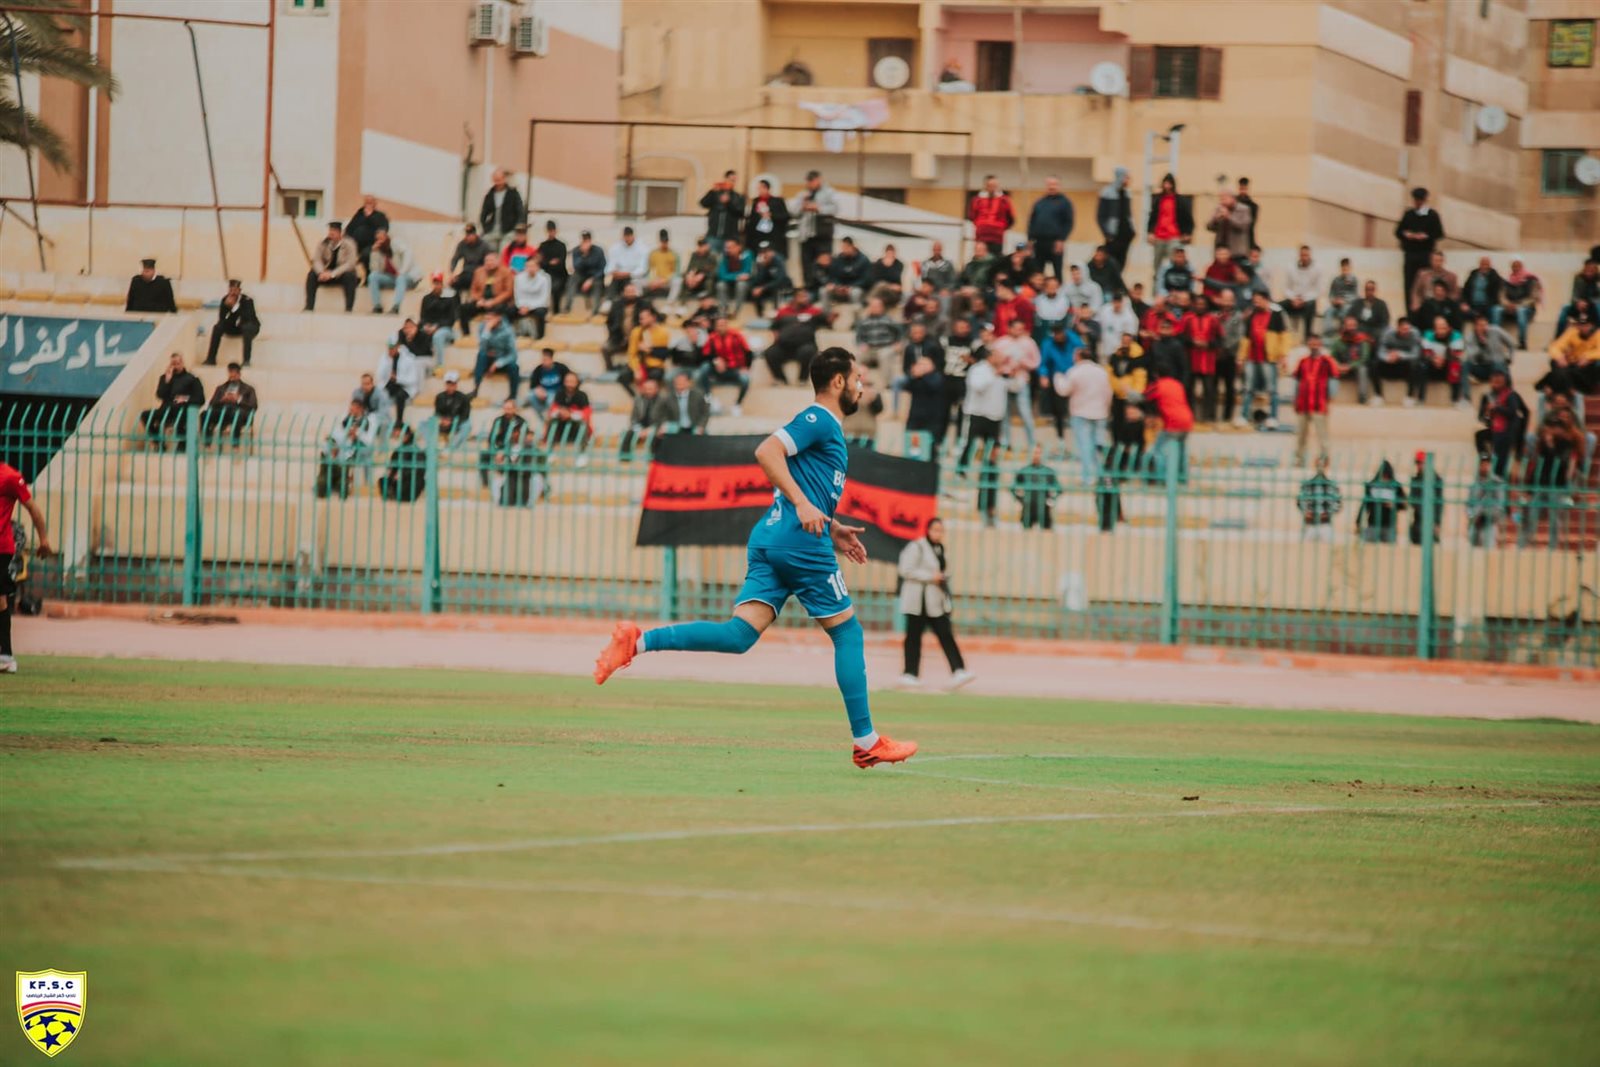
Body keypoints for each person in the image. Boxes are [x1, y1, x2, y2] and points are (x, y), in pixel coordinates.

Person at [593, 349, 918, 766]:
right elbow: (767, 451)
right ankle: (866, 741)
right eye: (857, 378)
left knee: (738, 636)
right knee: (848, 634)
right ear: (838, 381)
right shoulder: (819, 418)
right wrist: (803, 505)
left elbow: (806, 483)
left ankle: (637, 642)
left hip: (772, 538)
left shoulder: (827, 429)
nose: (861, 386)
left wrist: (832, 525)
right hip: (799, 544)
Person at [895, 518, 971, 688]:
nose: (938, 533)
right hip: (917, 601)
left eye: (940, 530)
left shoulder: (940, 549)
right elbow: (905, 569)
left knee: (945, 633)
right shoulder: (917, 547)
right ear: (928, 530)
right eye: (935, 529)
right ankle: (910, 673)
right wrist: (930, 577)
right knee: (913, 636)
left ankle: (959, 670)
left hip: (934, 602)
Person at [0, 462, 54, 674]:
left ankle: (6, 655)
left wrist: (44, 539)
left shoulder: (10, 477)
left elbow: (32, 508)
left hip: (1, 548)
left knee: (0, 598)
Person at [1520, 408, 1582, 550]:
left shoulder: (1566, 444)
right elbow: (1537, 465)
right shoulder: (1542, 444)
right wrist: (1529, 488)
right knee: (1531, 516)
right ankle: (1523, 545)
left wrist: (1551, 446)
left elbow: (1561, 464)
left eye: (1555, 427)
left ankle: (1553, 548)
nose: (1551, 430)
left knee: (1555, 520)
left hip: (1557, 486)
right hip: (1541, 484)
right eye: (1550, 427)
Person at [1238, 292, 1288, 428]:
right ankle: (1244, 416)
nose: (1256, 303)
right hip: (1252, 358)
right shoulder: (1252, 315)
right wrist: (1241, 357)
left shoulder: (1276, 314)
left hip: (1268, 358)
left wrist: (1283, 355)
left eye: (1258, 301)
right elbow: (1246, 338)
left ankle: (1273, 417)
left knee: (1272, 390)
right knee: (1248, 389)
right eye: (1254, 301)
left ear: (1266, 300)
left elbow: (1283, 336)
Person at [1290, 335, 1339, 467]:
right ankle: (1299, 459)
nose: (1314, 347)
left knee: (1322, 434)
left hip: (1319, 403)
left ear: (1320, 345)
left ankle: (1324, 458)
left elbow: (1334, 379)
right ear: (1308, 345)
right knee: (1301, 434)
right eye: (1311, 344)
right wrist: (1295, 398)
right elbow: (1297, 381)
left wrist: (1330, 397)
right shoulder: (1302, 361)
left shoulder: (1327, 361)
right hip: (1303, 403)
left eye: (1316, 344)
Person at [764, 289, 831, 385]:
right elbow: (774, 327)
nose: (805, 298)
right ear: (794, 298)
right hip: (784, 346)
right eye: (802, 296)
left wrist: (831, 318)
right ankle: (780, 379)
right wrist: (776, 337)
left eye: (806, 296)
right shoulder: (783, 311)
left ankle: (802, 379)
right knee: (770, 352)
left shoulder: (814, 311)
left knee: (808, 352)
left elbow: (826, 321)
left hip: (805, 345)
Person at [140, 353, 206, 450]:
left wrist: (185, 399)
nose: (175, 366)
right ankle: (159, 442)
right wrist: (167, 381)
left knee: (180, 414)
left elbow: (200, 399)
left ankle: (182, 445)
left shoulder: (192, 379)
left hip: (182, 409)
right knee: (145, 415)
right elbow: (160, 395)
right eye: (173, 364)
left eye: (177, 363)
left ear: (182, 363)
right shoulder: (165, 378)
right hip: (166, 409)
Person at [317, 399, 380, 499]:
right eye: (350, 409)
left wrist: (357, 435)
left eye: (353, 409)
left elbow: (368, 441)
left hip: (358, 449)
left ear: (360, 409)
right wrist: (333, 443)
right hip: (343, 448)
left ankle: (342, 483)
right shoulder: (346, 419)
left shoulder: (367, 421)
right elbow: (337, 433)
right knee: (327, 451)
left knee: (346, 462)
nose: (350, 411)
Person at [1474, 369, 1527, 479]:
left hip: (1509, 430)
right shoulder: (1487, 396)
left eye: (1499, 382)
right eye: (1493, 382)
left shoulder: (1511, 395)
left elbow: (1518, 411)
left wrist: (1497, 408)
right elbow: (1481, 417)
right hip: (1495, 428)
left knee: (1505, 445)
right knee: (1480, 436)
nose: (1495, 385)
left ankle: (1500, 474)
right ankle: (1485, 459)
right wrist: (1488, 415)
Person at [1144, 367, 1193, 481]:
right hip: (1187, 420)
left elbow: (1144, 396)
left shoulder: (1159, 385)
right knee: (1181, 451)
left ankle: (1162, 477)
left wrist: (1129, 392)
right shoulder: (1177, 384)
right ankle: (1182, 477)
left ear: (1157, 375)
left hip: (1173, 422)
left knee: (1160, 451)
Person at [1396, 187, 1445, 301]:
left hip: (1426, 254)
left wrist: (1426, 236)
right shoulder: (1409, 214)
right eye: (1416, 200)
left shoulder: (1432, 215)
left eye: (1420, 200)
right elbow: (1398, 231)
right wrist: (1407, 234)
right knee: (1409, 284)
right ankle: (1410, 308)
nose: (1418, 202)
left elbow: (1439, 233)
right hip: (1411, 254)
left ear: (1424, 200)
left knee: (1426, 283)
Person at [697, 316, 752, 415]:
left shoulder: (737, 336)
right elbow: (704, 354)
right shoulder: (712, 337)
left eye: (723, 325)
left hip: (735, 369)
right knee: (704, 367)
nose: (721, 327)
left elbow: (748, 353)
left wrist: (746, 367)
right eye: (719, 325)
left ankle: (737, 404)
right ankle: (708, 396)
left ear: (727, 325)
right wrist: (715, 361)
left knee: (746, 379)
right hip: (718, 370)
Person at [791, 170, 839, 284]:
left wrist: (818, 208)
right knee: (807, 265)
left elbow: (835, 208)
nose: (810, 184)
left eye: (812, 181)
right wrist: (802, 206)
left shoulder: (829, 193)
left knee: (824, 264)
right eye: (808, 181)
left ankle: (823, 288)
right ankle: (808, 287)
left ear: (819, 180)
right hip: (806, 236)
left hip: (822, 235)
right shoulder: (803, 194)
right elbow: (793, 211)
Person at [1146, 173, 1193, 288]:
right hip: (1159, 236)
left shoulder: (1180, 200)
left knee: (1174, 263)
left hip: (1174, 235)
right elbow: (1152, 217)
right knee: (1157, 266)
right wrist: (1150, 232)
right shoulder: (1158, 199)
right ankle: (1156, 290)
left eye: (1169, 184)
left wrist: (1187, 233)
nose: (1167, 186)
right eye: (1165, 184)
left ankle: (1174, 287)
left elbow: (1188, 218)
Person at [304, 222, 360, 312]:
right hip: (325, 274)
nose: (331, 234)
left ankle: (348, 308)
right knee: (312, 275)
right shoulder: (323, 243)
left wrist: (332, 274)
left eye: (334, 232)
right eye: (330, 231)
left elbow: (350, 263)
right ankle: (309, 306)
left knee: (350, 276)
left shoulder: (349, 244)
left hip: (340, 274)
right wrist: (321, 272)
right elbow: (317, 260)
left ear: (340, 233)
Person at [1027, 176, 1074, 280]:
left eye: (1054, 184)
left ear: (1059, 186)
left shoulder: (1065, 202)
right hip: (1039, 243)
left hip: (1055, 243)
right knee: (1038, 272)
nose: (1052, 187)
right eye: (1049, 184)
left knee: (1057, 272)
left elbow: (1068, 223)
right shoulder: (1039, 202)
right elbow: (1031, 222)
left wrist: (1061, 239)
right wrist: (1030, 240)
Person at [200, 362, 258, 446]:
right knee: (204, 414)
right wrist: (222, 400)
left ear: (239, 374)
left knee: (237, 414)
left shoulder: (249, 389)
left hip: (239, 411)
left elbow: (253, 405)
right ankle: (207, 443)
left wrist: (238, 399)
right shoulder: (221, 388)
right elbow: (211, 403)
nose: (232, 377)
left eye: (234, 374)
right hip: (222, 411)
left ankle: (235, 445)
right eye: (230, 373)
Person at [205, 279, 260, 366]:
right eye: (231, 290)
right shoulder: (225, 300)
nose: (233, 293)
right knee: (217, 327)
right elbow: (222, 319)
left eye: (235, 290)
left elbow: (248, 318)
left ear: (239, 291)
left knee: (247, 328)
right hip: (235, 327)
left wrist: (235, 307)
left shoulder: (247, 301)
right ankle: (211, 359)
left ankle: (246, 360)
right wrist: (229, 308)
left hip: (250, 326)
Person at [1415, 314, 1465, 408]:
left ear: (1449, 328)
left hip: (1447, 365)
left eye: (1444, 327)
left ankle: (1456, 400)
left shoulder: (1456, 335)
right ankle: (1420, 399)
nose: (1442, 330)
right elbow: (1425, 353)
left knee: (1456, 366)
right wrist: (1433, 359)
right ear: (1434, 329)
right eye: (1439, 328)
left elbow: (1457, 355)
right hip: (1432, 365)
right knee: (1422, 365)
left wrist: (1444, 359)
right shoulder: (1428, 335)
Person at [376, 328, 424, 425]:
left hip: (405, 387)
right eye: (389, 348)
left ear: (398, 346)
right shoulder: (385, 358)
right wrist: (388, 361)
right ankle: (381, 418)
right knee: (381, 394)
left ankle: (399, 421)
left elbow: (413, 379)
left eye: (392, 348)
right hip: (392, 384)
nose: (390, 350)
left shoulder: (409, 359)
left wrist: (398, 379)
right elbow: (380, 375)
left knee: (400, 396)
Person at [1370, 318, 1421, 407]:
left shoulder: (1415, 334)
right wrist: (1388, 357)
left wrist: (1399, 354)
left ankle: (1409, 397)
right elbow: (1380, 351)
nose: (1406, 332)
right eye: (1404, 329)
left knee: (1415, 364)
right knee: (1374, 364)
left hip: (1404, 364)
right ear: (1398, 328)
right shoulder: (1388, 334)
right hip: (1389, 363)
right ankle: (1378, 395)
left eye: (1408, 329)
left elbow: (1415, 354)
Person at [365, 229, 418, 314]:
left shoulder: (396, 243)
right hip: (393, 279)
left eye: (382, 238)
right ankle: (377, 306)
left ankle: (396, 307)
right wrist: (374, 252)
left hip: (408, 277)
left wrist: (402, 271)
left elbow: (408, 254)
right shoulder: (379, 251)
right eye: (378, 239)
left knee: (400, 278)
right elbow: (374, 269)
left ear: (387, 237)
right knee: (373, 276)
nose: (380, 241)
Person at [459, 255, 515, 336]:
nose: (489, 263)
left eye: (492, 260)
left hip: (498, 302)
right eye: (487, 260)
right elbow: (473, 290)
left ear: (498, 261)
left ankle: (500, 335)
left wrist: (493, 302)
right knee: (463, 308)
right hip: (482, 301)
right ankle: (466, 334)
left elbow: (508, 292)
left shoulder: (506, 272)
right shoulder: (478, 272)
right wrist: (479, 300)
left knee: (505, 310)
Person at [1011, 445, 1063, 530]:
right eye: (1034, 453)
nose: (1036, 455)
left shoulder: (1048, 471)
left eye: (1039, 453)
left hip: (1044, 508)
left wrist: (1051, 500)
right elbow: (1013, 488)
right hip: (1028, 508)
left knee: (1046, 534)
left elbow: (1059, 489)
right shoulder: (1024, 471)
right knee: (1027, 535)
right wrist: (1020, 500)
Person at [545, 370, 594, 457]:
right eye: (567, 381)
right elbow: (552, 411)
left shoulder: (582, 396)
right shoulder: (559, 394)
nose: (570, 384)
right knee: (551, 422)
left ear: (577, 382)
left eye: (572, 381)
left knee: (582, 424)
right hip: (561, 426)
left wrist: (570, 414)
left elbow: (586, 414)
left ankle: (582, 454)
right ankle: (550, 452)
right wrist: (560, 412)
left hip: (575, 427)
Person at [1355, 460, 1406, 544]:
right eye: (1383, 476)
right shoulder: (1372, 485)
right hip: (1373, 525)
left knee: (1389, 550)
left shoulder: (1396, 486)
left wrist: (1394, 504)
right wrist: (1358, 522)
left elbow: (1404, 505)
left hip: (1389, 526)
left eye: (1387, 476)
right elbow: (1365, 505)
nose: (1385, 479)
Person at [1295, 455, 1341, 543]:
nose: (1320, 467)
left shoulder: (1332, 485)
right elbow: (1299, 501)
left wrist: (1327, 514)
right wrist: (1306, 512)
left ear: (1326, 466)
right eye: (1318, 465)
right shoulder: (1307, 484)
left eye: (1323, 465)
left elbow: (1337, 503)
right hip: (1309, 524)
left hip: (1325, 524)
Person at [1464, 456, 1506, 549]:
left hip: (1489, 522)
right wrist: (1472, 516)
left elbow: (1500, 506)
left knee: (1488, 551)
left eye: (1487, 464)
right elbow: (1468, 504)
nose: (1485, 466)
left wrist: (1484, 515)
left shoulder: (1497, 483)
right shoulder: (1474, 483)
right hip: (1475, 522)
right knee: (1473, 551)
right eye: (1482, 464)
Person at [417, 274, 459, 366]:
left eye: (438, 283)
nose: (436, 286)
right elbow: (423, 317)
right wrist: (426, 325)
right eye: (435, 283)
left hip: (445, 328)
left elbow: (451, 320)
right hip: (429, 327)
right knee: (418, 333)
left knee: (438, 336)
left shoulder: (450, 298)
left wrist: (437, 326)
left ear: (442, 284)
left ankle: (440, 365)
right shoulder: (426, 299)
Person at [478, 168, 526, 250]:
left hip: (509, 230)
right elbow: (483, 213)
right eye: (495, 180)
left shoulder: (513, 193)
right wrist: (485, 227)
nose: (498, 183)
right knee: (487, 248)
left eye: (499, 180)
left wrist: (516, 228)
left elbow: (520, 211)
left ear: (504, 179)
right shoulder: (490, 194)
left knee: (504, 249)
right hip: (492, 230)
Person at [1096, 167, 1134, 269]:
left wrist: (1132, 231)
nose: (1128, 180)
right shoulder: (1107, 192)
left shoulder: (1127, 193)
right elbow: (1100, 216)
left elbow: (1128, 213)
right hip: (1113, 235)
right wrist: (1107, 233)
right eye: (1126, 177)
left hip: (1125, 234)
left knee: (1122, 263)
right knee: (1111, 262)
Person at [968, 175, 1015, 256]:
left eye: (994, 185)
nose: (992, 188)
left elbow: (1011, 218)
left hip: (997, 237)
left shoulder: (1004, 200)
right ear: (985, 186)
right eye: (990, 185)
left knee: (996, 259)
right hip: (981, 236)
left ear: (998, 186)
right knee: (981, 258)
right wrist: (981, 225)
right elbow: (972, 216)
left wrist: (1000, 227)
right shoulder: (977, 200)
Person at [1499, 260, 1542, 349]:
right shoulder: (1507, 281)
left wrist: (1518, 306)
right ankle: (1495, 341)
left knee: (1521, 311)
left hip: (1527, 309)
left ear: (1522, 267)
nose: (1516, 268)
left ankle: (1522, 343)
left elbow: (1533, 298)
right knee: (1496, 310)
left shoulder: (1531, 279)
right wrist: (1507, 304)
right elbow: (1502, 296)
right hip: (1509, 309)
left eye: (1518, 266)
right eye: (1514, 266)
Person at [379, 425, 426, 504]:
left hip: (410, 481)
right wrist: (391, 473)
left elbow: (420, 469)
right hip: (398, 481)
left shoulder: (416, 450)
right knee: (383, 480)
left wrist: (403, 474)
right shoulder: (398, 450)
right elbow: (393, 466)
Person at [1282, 246, 1321, 340]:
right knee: (1276, 307)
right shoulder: (1291, 267)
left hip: (1308, 300)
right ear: (1299, 256)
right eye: (1302, 255)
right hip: (1293, 299)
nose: (1304, 257)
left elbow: (1318, 290)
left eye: (1306, 255)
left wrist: (1304, 299)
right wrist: (1293, 298)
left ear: (1310, 255)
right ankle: (1282, 336)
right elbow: (1286, 288)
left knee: (1311, 305)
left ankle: (1307, 338)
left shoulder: (1317, 268)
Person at [700, 170, 746, 245]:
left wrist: (728, 203)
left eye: (734, 181)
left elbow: (740, 213)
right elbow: (703, 203)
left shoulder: (738, 196)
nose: (732, 182)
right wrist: (711, 191)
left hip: (729, 237)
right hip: (713, 234)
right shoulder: (715, 193)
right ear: (725, 179)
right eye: (730, 180)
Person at [1407, 452, 1444, 546]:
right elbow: (1413, 500)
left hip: (1432, 521)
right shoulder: (1415, 480)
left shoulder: (1437, 480)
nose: (1419, 466)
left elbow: (1439, 503)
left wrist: (1437, 522)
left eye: (1421, 463)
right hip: (1419, 521)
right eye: (1418, 463)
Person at [743, 178, 790, 253]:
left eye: (761, 188)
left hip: (774, 236)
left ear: (766, 188)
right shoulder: (756, 201)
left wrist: (771, 215)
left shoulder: (777, 201)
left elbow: (785, 216)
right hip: (758, 235)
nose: (759, 190)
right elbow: (752, 218)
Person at [1408, 249, 1458, 317]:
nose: (1438, 263)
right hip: (1425, 304)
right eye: (1435, 260)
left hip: (1443, 306)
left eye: (1440, 261)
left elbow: (1455, 293)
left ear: (1444, 261)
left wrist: (1448, 303)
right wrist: (1416, 302)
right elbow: (1416, 291)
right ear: (1431, 261)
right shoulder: (1423, 275)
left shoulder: (1451, 276)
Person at [568, 230, 607, 314]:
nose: (585, 242)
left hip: (595, 276)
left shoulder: (598, 251)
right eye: (584, 240)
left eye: (587, 240)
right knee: (572, 279)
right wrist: (584, 255)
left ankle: (595, 311)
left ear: (590, 240)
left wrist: (591, 280)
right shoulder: (576, 250)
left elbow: (602, 268)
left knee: (597, 284)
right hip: (581, 275)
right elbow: (576, 266)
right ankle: (567, 307)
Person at [524, 348, 571, 418]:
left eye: (546, 360)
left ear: (551, 359)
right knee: (530, 395)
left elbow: (570, 378)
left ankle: (550, 417)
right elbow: (532, 386)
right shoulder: (538, 369)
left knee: (551, 400)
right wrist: (538, 389)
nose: (543, 362)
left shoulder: (561, 368)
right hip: (544, 392)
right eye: (543, 360)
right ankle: (542, 416)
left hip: (556, 393)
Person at [512, 257, 551, 340]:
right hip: (522, 305)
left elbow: (544, 298)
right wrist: (522, 306)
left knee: (541, 312)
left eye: (533, 266)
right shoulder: (518, 277)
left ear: (538, 267)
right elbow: (517, 295)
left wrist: (529, 307)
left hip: (538, 305)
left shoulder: (545, 278)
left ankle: (540, 337)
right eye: (528, 266)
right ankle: (511, 335)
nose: (530, 268)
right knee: (509, 310)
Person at [1207, 192, 1253, 261]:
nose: (1222, 201)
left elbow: (1244, 226)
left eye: (1224, 199)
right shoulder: (1219, 209)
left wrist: (1229, 217)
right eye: (1221, 199)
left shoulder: (1244, 209)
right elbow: (1209, 227)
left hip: (1237, 250)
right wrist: (1216, 219)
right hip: (1220, 251)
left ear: (1233, 199)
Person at [345, 194, 390, 265]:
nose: (368, 205)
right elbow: (349, 229)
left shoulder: (380, 216)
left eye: (370, 203)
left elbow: (383, 230)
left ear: (375, 204)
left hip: (371, 244)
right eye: (366, 203)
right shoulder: (359, 214)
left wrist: (369, 216)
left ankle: (358, 263)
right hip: (355, 244)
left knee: (366, 254)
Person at [606, 226, 649, 298]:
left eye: (629, 236)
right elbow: (610, 265)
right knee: (612, 282)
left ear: (633, 236)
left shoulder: (643, 248)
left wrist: (629, 274)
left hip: (634, 277)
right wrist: (614, 272)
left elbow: (643, 269)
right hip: (618, 277)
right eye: (625, 236)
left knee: (631, 284)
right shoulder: (615, 248)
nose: (627, 238)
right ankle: (610, 301)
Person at [433, 371, 472, 447]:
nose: (450, 387)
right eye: (448, 384)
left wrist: (452, 421)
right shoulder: (440, 397)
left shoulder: (463, 398)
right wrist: (442, 420)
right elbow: (437, 412)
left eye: (453, 384)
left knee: (467, 425)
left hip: (457, 422)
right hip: (443, 422)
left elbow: (465, 415)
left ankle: (451, 446)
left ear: (456, 385)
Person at [536, 221, 569, 311]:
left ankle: (556, 310)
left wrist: (547, 263)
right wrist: (550, 263)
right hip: (545, 274)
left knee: (555, 288)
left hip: (559, 275)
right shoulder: (543, 246)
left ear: (556, 231)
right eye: (549, 230)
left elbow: (560, 263)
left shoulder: (561, 245)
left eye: (552, 230)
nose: (551, 233)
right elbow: (540, 262)